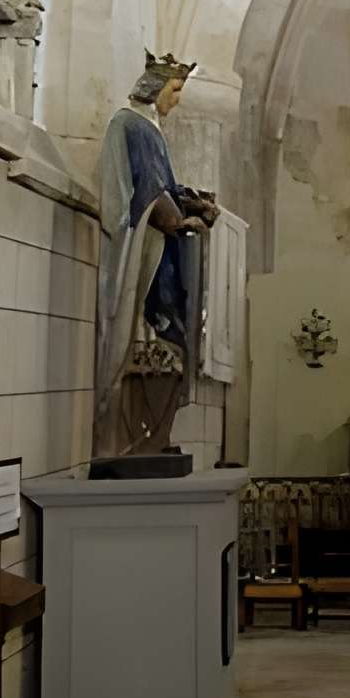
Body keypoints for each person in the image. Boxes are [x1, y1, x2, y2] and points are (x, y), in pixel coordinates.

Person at [94, 53, 217, 461]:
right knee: (158, 338)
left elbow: (166, 187)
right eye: (175, 90)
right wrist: (179, 222)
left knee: (172, 342)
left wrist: (196, 206)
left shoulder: (150, 130)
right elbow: (147, 191)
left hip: (165, 251)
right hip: (148, 252)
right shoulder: (131, 125)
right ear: (154, 87)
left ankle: (156, 437)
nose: (177, 100)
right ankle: (142, 438)